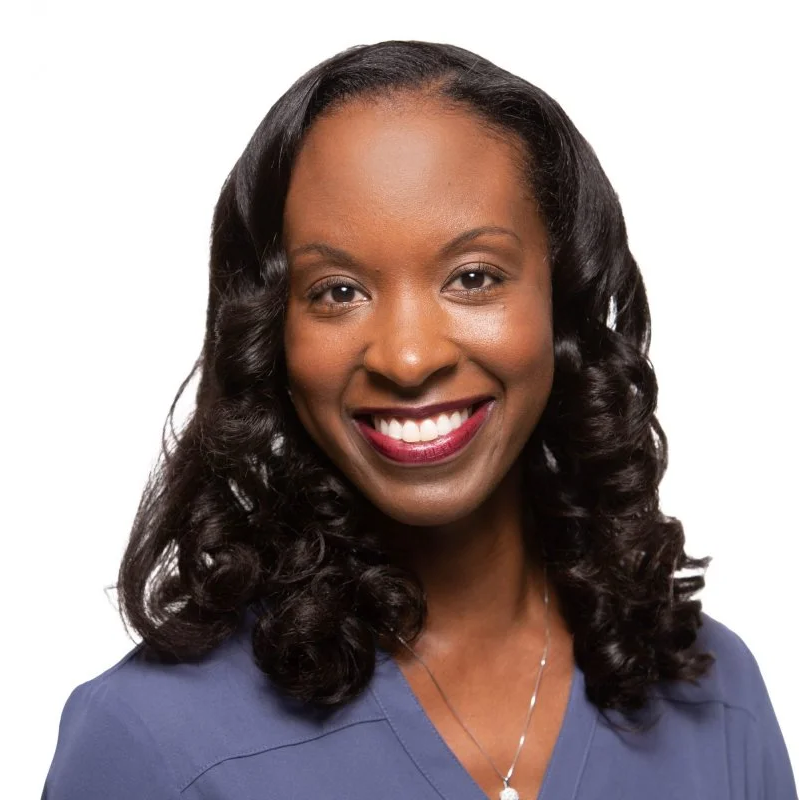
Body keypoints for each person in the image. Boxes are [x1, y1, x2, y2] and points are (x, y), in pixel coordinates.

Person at [41, 40, 796, 800]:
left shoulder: (717, 700)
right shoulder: (151, 743)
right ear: (271, 334)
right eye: (337, 291)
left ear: (561, 305)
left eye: (473, 278)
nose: (406, 358)